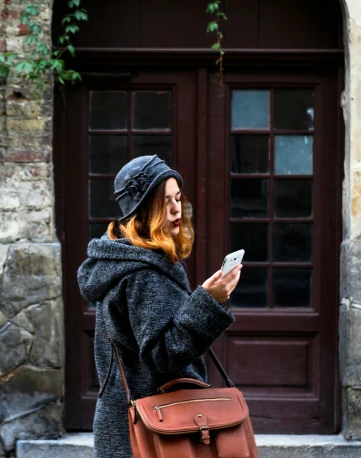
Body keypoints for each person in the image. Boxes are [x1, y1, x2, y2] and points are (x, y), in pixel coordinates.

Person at [78, 155, 242, 458]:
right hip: (156, 432)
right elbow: (164, 355)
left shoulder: (120, 261)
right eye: (164, 201)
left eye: (178, 197)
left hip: (127, 425)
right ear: (142, 211)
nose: (176, 208)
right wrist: (209, 302)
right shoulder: (144, 275)